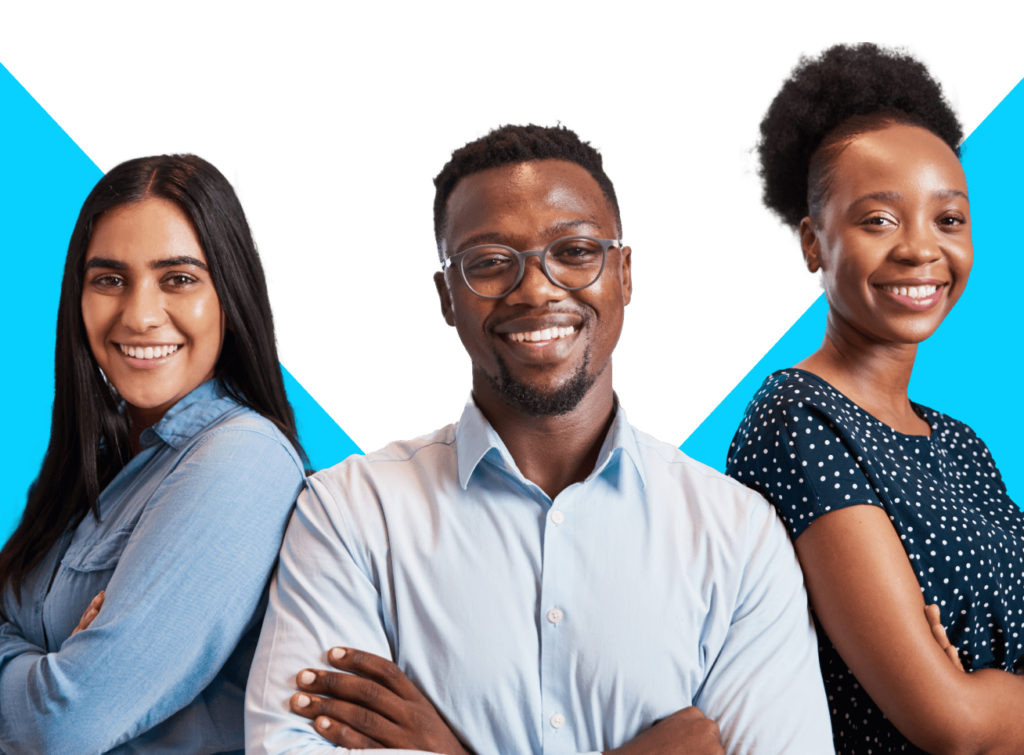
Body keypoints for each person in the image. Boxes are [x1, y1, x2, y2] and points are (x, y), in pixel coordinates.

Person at [244, 122, 833, 755]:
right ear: (448, 297)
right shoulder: (350, 514)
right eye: (490, 263)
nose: (536, 290)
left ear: (626, 274)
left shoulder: (739, 535)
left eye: (575, 252)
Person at [726, 42, 1024, 754]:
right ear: (812, 242)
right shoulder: (798, 420)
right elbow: (949, 722)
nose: (921, 248)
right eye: (878, 220)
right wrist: (976, 699)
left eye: (948, 219)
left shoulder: (960, 443)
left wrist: (995, 698)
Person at [0, 153, 309, 754]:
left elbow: (64, 726)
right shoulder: (105, 459)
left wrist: (35, 663)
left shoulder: (241, 460)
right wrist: (44, 666)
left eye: (180, 279)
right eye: (109, 279)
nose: (139, 315)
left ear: (230, 294)